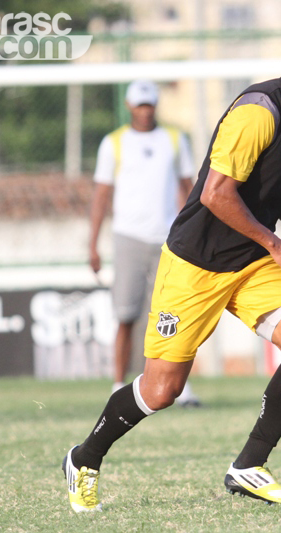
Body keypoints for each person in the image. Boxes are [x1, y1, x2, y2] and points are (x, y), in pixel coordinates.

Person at [63, 13, 281, 512]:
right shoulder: (258, 113)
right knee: (162, 390)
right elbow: (217, 195)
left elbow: (276, 185)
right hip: (196, 263)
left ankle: (249, 466)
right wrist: (277, 244)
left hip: (251, 261)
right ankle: (84, 457)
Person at [89, 79, 201, 406]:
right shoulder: (114, 143)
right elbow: (101, 195)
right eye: (139, 105)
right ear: (129, 106)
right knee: (126, 314)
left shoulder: (174, 139)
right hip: (128, 237)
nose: (144, 110)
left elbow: (189, 190)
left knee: (171, 316)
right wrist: (92, 244)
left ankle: (178, 387)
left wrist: (194, 233)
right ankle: (117, 384)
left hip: (168, 239)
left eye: (149, 104)